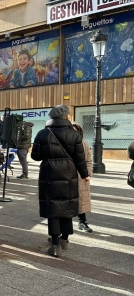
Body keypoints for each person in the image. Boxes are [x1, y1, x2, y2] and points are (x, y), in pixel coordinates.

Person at [31, 105, 89, 257]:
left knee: (53, 208)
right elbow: (80, 158)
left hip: (49, 173)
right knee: (66, 207)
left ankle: (55, 245)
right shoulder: (75, 134)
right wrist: (85, 174)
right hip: (69, 173)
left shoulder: (42, 133)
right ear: (66, 117)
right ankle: (65, 239)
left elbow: (35, 156)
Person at [72, 122, 94, 233]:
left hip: (81, 176)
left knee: (82, 200)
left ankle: (82, 222)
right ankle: (63, 224)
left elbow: (88, 161)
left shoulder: (84, 144)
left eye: (75, 131)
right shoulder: (63, 144)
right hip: (67, 176)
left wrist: (88, 173)